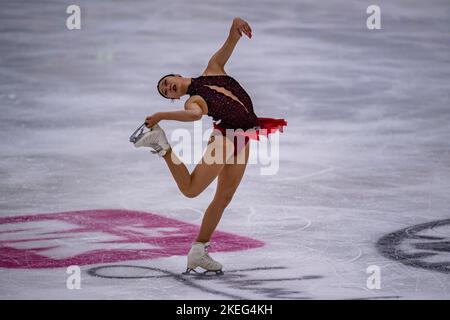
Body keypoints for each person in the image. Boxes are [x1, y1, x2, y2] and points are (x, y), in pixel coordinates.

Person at [134, 17, 287, 274]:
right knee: (192, 189)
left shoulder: (213, 67)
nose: (168, 88)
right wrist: (161, 116)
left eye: (166, 83)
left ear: (176, 74)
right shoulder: (193, 100)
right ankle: (162, 145)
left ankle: (198, 251)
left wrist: (237, 26)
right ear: (175, 97)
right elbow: (194, 115)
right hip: (226, 138)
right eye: (166, 92)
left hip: (244, 135)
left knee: (224, 197)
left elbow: (231, 40)